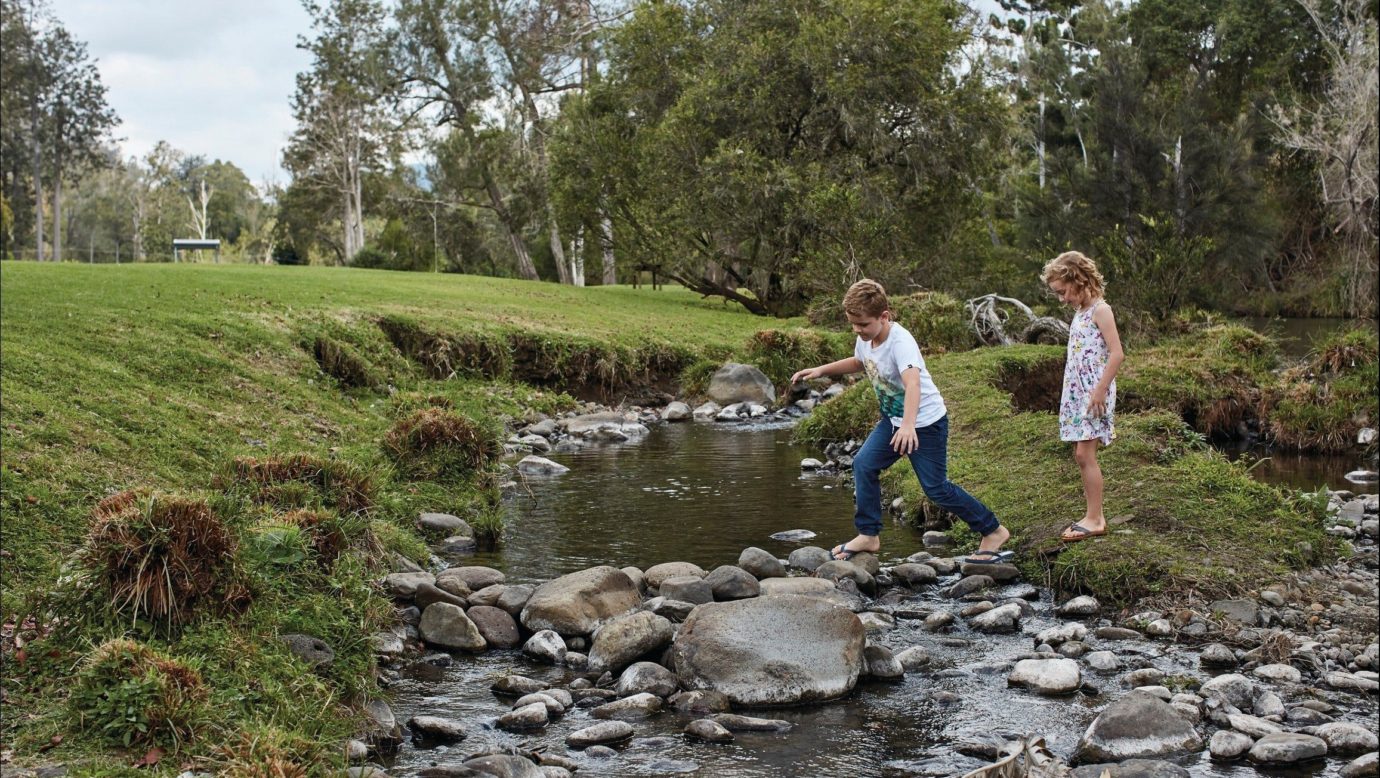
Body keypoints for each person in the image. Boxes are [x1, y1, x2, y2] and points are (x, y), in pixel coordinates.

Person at [790, 279, 1012, 564]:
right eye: (853, 325)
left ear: (884, 316)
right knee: (863, 464)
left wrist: (909, 425)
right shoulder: (867, 337)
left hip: (925, 424)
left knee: (936, 489)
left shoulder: (901, 342)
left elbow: (913, 383)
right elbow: (859, 362)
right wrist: (821, 370)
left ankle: (992, 530)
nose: (858, 330)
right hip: (894, 421)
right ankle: (869, 535)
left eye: (863, 325)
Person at [1042, 251, 1124, 543]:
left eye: (1063, 292)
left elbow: (1117, 353)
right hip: (1079, 392)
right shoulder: (1080, 312)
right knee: (1081, 455)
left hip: (1094, 393)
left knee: (1083, 454)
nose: (1062, 299)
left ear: (1077, 279)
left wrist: (1100, 390)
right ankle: (1092, 515)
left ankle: (1095, 518)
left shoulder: (1101, 310)